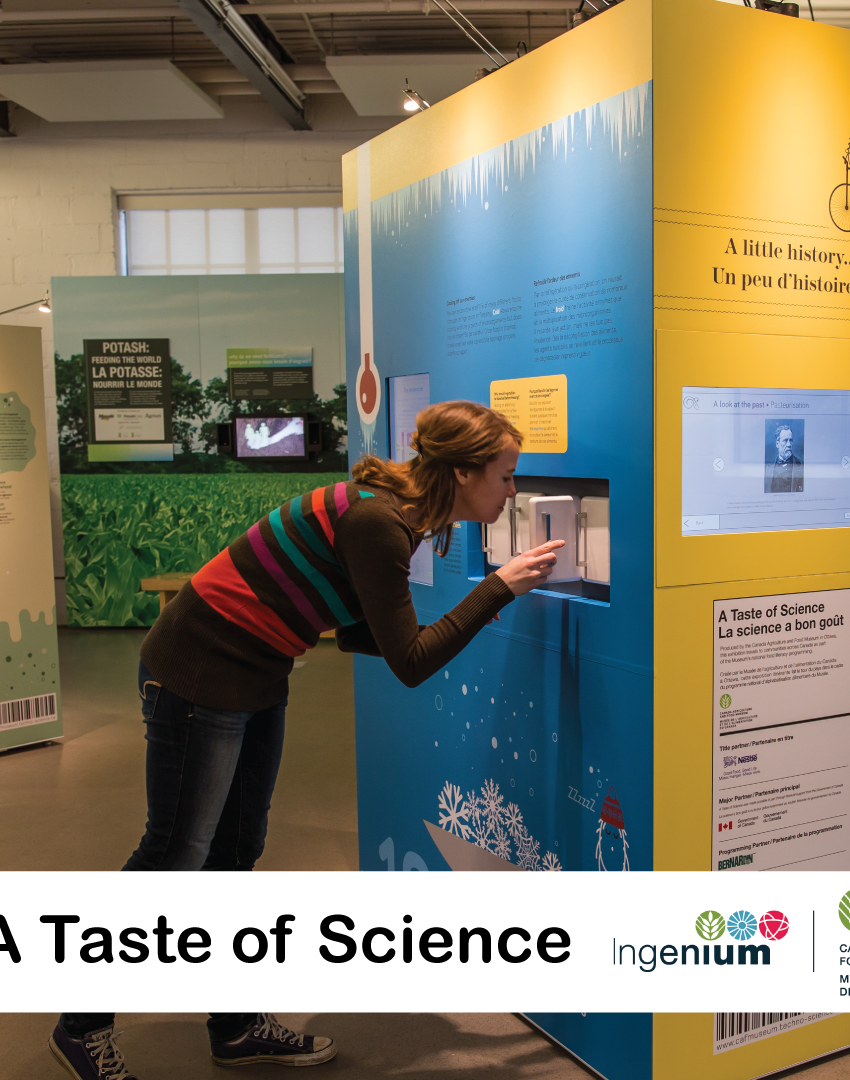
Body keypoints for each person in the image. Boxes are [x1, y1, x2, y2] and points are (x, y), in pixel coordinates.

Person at [49, 400, 564, 1080]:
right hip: (198, 670)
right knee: (175, 853)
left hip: (257, 669)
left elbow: (357, 630)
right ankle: (81, 1026)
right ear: (465, 474)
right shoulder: (379, 520)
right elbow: (408, 661)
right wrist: (495, 590)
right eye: (505, 475)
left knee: (234, 853)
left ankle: (233, 1027)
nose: (513, 491)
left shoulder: (396, 515)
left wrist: (445, 620)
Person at [765, 423, 803, 493]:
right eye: (785, 441)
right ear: (777, 444)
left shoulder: (801, 465)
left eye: (790, 440)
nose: (789, 444)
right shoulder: (767, 468)